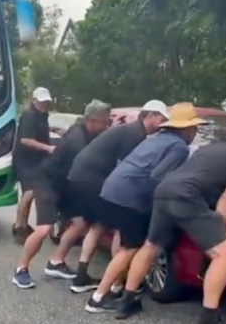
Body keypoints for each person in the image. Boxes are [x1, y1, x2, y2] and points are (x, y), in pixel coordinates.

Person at [115, 120, 226, 324]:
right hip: (188, 197)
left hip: (164, 191)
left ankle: (126, 302)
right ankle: (208, 323)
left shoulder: (209, 148)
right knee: (224, 255)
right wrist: (216, 234)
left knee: (151, 246)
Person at [86, 103, 199, 314]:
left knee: (126, 244)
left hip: (112, 189)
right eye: (195, 128)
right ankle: (98, 298)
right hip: (131, 197)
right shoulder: (179, 147)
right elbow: (159, 177)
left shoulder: (156, 139)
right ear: (186, 129)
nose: (195, 133)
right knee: (131, 247)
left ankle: (116, 287)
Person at [62, 100, 169, 293]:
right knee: (122, 223)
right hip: (93, 179)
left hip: (80, 176)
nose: (162, 125)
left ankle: (81, 276)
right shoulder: (136, 134)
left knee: (98, 223)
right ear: (151, 116)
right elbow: (125, 168)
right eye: (161, 119)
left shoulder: (129, 130)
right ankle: (117, 284)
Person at [12, 100, 111, 290]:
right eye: (104, 123)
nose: (106, 127)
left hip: (64, 184)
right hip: (47, 182)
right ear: (92, 120)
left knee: (80, 223)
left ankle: (56, 262)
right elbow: (89, 170)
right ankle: (20, 270)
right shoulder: (77, 140)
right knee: (43, 229)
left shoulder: (86, 131)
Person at [12, 87, 55, 239]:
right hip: (25, 160)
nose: (44, 104)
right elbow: (25, 140)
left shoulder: (42, 116)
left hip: (36, 161)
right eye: (41, 101)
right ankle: (18, 226)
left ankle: (23, 224)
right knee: (29, 192)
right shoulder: (30, 116)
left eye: (46, 102)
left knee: (30, 192)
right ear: (34, 100)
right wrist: (48, 148)